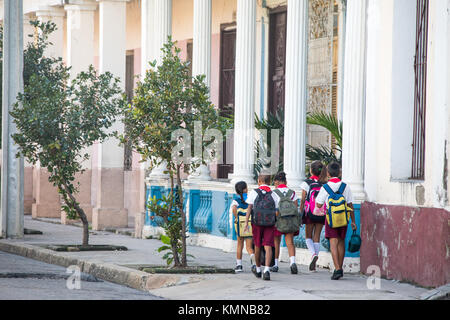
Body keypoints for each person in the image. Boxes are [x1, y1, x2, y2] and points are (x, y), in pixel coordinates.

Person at [315, 162, 357, 280]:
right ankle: (341, 267)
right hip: (344, 217)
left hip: (331, 219)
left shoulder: (325, 187)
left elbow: (318, 204)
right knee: (341, 242)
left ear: (328, 173)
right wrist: (353, 221)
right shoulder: (345, 186)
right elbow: (350, 204)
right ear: (339, 172)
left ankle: (337, 268)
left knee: (333, 243)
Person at [244, 174, 279, 281]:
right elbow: (277, 211)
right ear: (270, 182)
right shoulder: (274, 194)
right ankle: (267, 270)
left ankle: (258, 269)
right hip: (270, 223)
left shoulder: (254, 192)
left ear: (259, 181)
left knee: (257, 245)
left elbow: (250, 207)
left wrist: (246, 222)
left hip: (257, 223)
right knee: (268, 245)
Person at [299, 161, 328, 271]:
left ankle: (313, 255)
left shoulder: (307, 183)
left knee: (308, 236)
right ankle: (314, 263)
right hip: (321, 213)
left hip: (309, 213)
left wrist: (300, 213)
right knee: (317, 236)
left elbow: (302, 200)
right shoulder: (325, 184)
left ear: (311, 170)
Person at [271, 172, 300, 274]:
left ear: (277, 182)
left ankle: (275, 265)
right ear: (285, 181)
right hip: (290, 221)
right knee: (290, 242)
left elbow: (272, 208)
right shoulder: (292, 192)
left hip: (278, 220)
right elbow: (296, 208)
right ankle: (292, 263)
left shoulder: (274, 193)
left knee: (276, 243)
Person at [231, 181, 256, 273]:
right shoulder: (250, 198)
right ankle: (253, 261)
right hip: (249, 224)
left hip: (240, 225)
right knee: (249, 247)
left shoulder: (236, 200)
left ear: (237, 191)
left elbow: (234, 209)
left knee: (239, 245)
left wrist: (237, 218)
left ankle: (239, 265)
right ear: (245, 189)